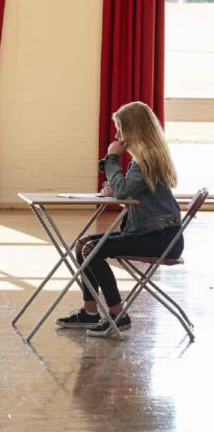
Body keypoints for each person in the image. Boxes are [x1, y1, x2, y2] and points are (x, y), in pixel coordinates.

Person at [56, 101, 183, 337]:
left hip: (160, 238)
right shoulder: (148, 156)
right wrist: (114, 188)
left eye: (120, 129)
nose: (117, 136)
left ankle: (117, 315)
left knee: (91, 249)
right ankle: (89, 311)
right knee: (83, 244)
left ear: (133, 130)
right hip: (153, 233)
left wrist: (111, 159)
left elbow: (124, 191)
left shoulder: (147, 158)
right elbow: (128, 190)